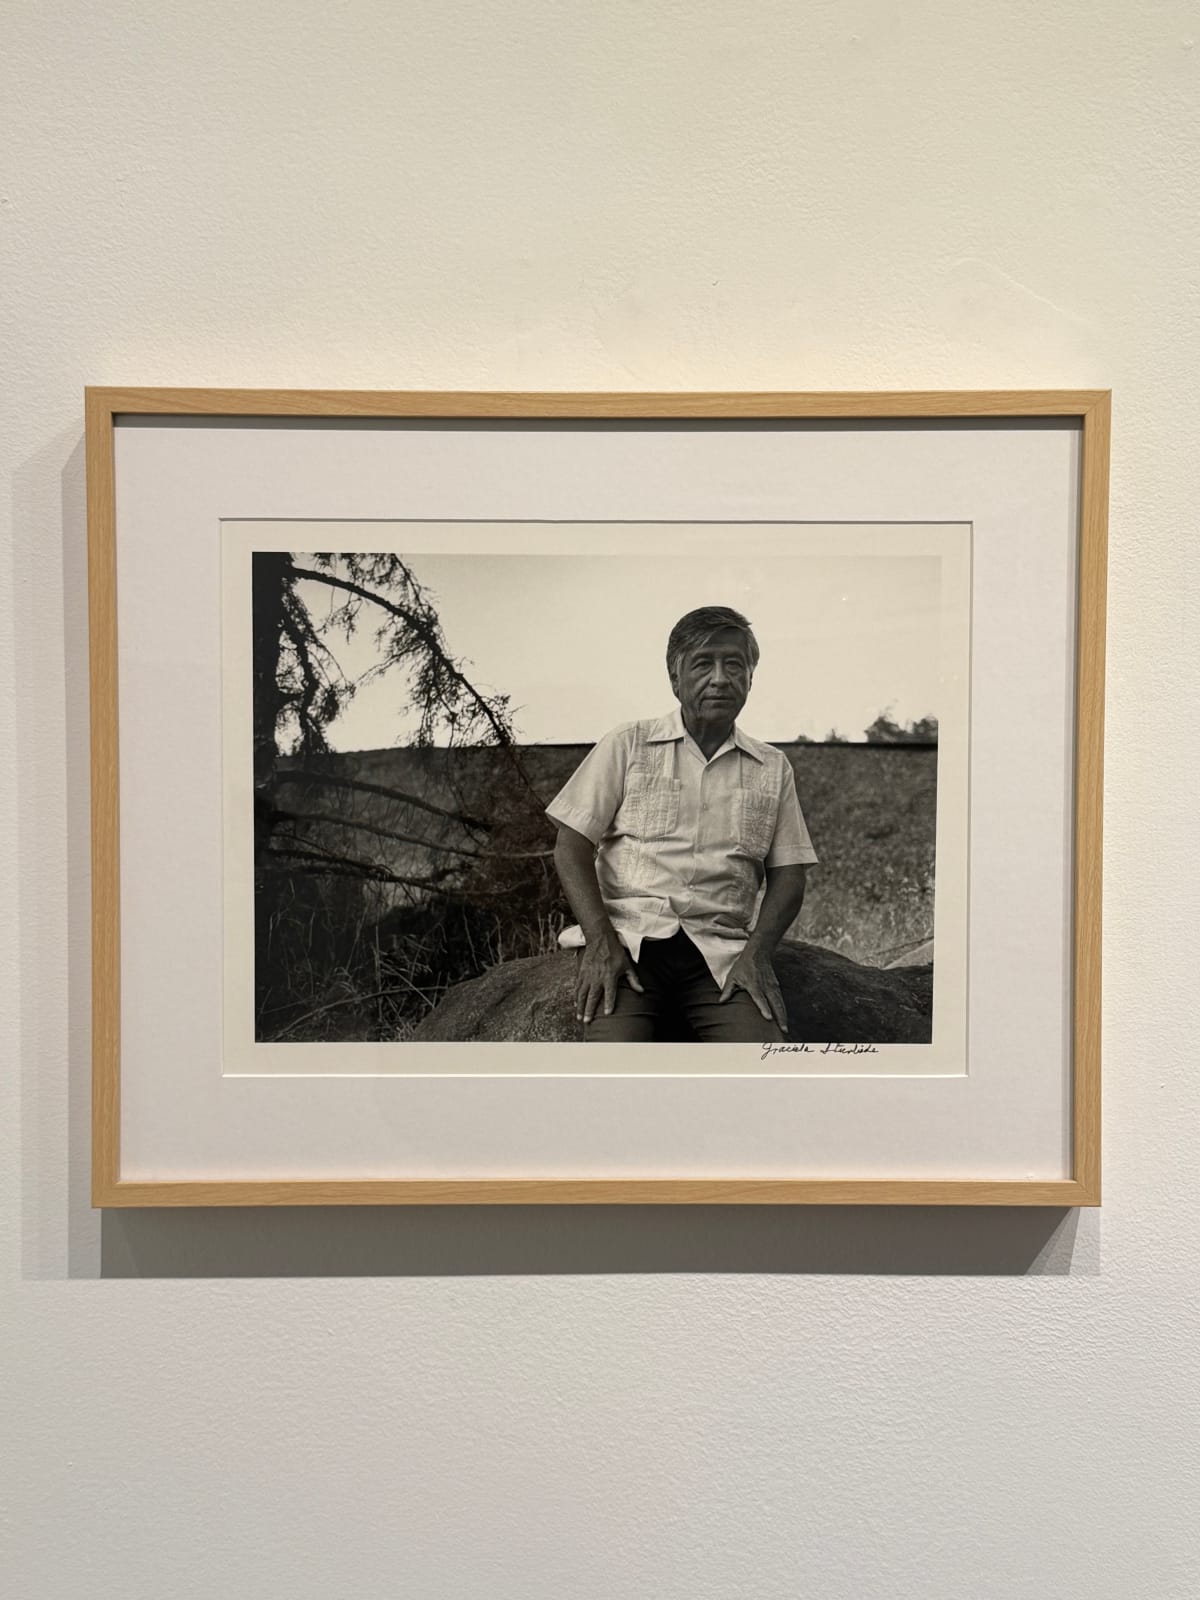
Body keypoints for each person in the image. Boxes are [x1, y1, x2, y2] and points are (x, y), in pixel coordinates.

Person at [547, 605, 817, 1043]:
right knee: (614, 1068)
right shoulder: (628, 744)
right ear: (675, 678)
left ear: (751, 677)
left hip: (721, 953)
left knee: (762, 1067)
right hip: (631, 943)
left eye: (735, 664)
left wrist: (758, 954)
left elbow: (790, 874)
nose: (720, 678)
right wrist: (599, 941)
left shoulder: (773, 767)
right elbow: (571, 844)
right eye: (703, 664)